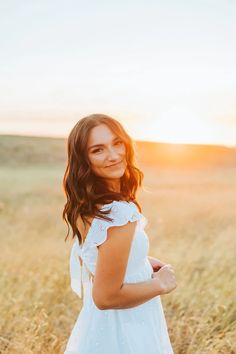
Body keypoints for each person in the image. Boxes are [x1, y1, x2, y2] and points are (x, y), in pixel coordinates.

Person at [62, 113, 177, 354]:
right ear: (84, 160)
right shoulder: (117, 214)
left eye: (117, 143)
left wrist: (140, 262)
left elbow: (98, 257)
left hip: (101, 325)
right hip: (125, 327)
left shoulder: (86, 206)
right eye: (98, 150)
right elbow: (106, 297)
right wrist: (161, 285)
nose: (114, 156)